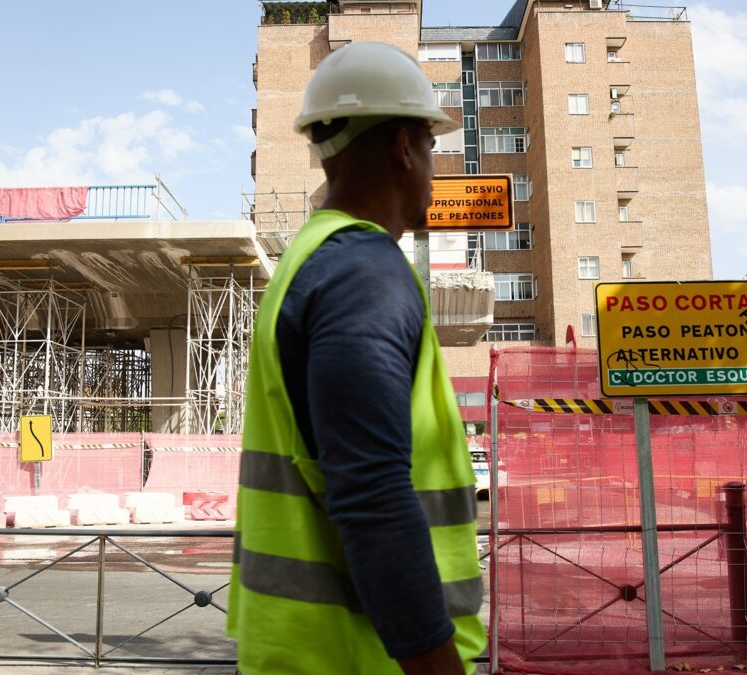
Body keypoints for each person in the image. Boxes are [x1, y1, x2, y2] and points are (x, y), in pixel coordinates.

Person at [227, 41, 486, 674]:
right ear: (402, 145)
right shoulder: (363, 273)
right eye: (431, 147)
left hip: (306, 650)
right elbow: (373, 493)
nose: (433, 168)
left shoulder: (310, 260)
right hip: (361, 659)